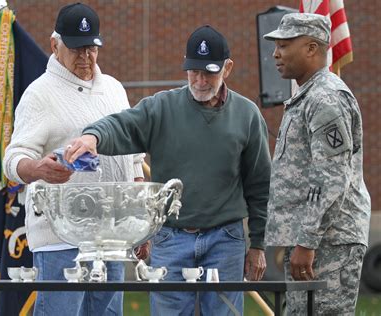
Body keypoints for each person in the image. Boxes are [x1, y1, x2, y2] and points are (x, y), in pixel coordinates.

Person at [65, 25, 271, 315]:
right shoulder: (162, 107)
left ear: (228, 68)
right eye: (193, 71)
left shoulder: (247, 115)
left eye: (208, 73)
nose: (199, 81)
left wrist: (259, 243)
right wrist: (93, 137)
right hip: (171, 237)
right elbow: (123, 124)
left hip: (226, 239)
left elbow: (260, 184)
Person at [2, 3, 145, 316]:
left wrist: (139, 224)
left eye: (92, 48)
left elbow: (134, 161)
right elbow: (12, 158)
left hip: (113, 235)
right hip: (60, 238)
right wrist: (37, 168)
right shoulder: (39, 94)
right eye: (76, 49)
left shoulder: (115, 89)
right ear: (55, 45)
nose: (86, 57)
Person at [263, 13, 371, 315]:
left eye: (284, 45)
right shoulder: (308, 96)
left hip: (329, 242)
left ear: (312, 48)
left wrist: (307, 243)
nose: (275, 53)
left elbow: (332, 177)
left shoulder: (325, 98)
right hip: (316, 241)